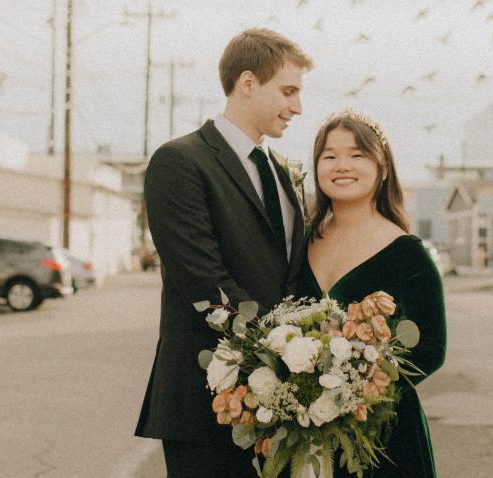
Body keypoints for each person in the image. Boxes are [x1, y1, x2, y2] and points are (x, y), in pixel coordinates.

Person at [134, 29, 313, 478]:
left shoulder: (283, 174)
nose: (298, 108)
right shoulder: (180, 162)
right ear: (248, 83)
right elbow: (203, 281)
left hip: (285, 409)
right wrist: (289, 350)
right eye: (288, 91)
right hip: (206, 402)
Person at [297, 110, 447, 477]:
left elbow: (431, 348)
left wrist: (358, 388)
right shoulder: (299, 244)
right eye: (329, 156)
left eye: (357, 155)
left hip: (381, 436)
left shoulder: (406, 252)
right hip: (303, 432)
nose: (342, 165)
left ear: (382, 168)